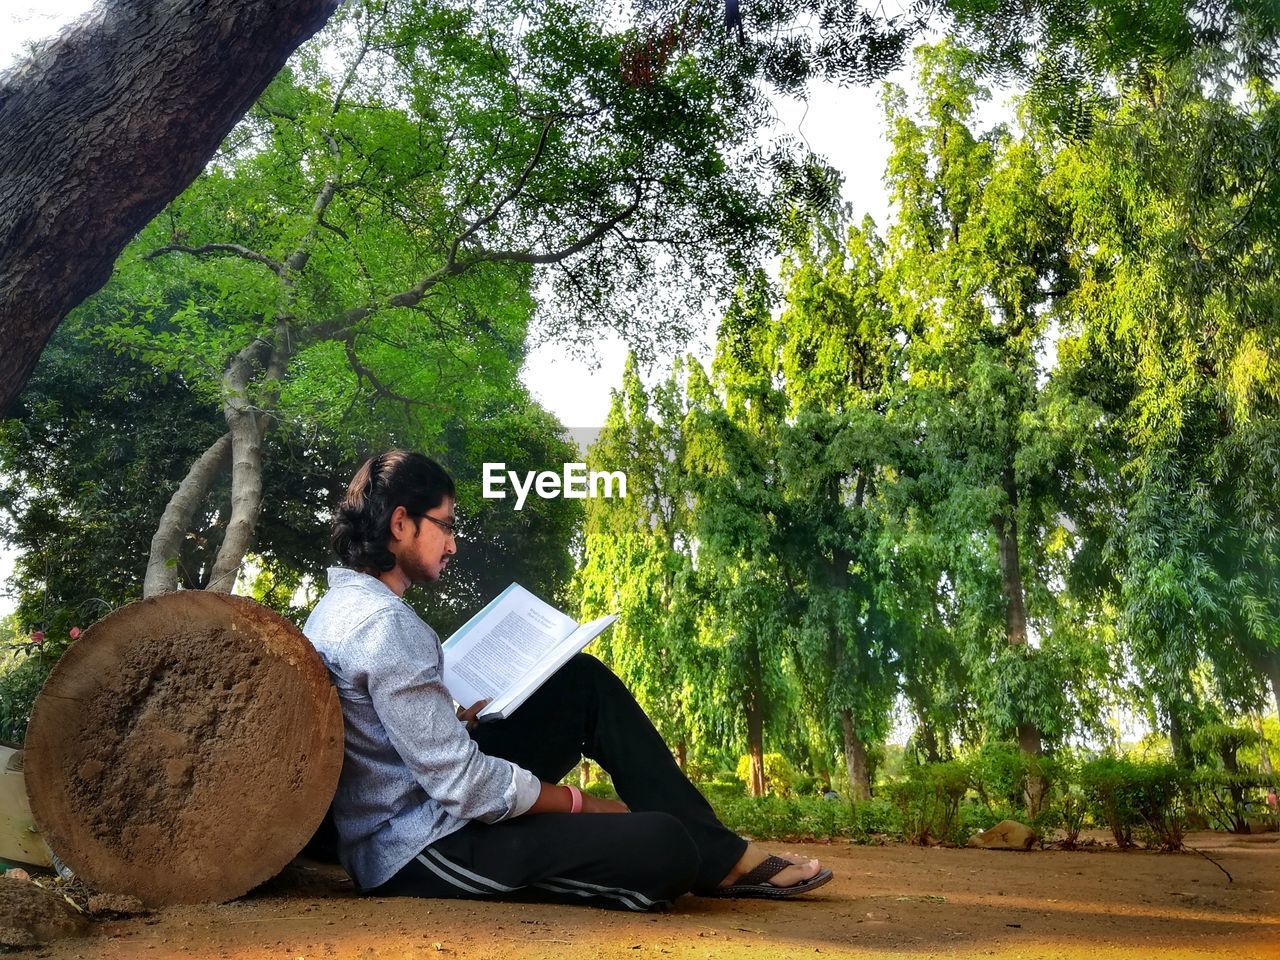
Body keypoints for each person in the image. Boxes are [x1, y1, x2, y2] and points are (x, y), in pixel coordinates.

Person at [303, 449, 832, 911]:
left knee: (579, 681)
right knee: (666, 846)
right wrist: (583, 804)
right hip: (421, 844)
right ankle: (704, 851)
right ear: (401, 524)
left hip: (429, 800)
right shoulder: (387, 626)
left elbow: (390, 737)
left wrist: (452, 721)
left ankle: (721, 855)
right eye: (446, 525)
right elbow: (465, 789)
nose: (453, 545)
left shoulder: (338, 608)